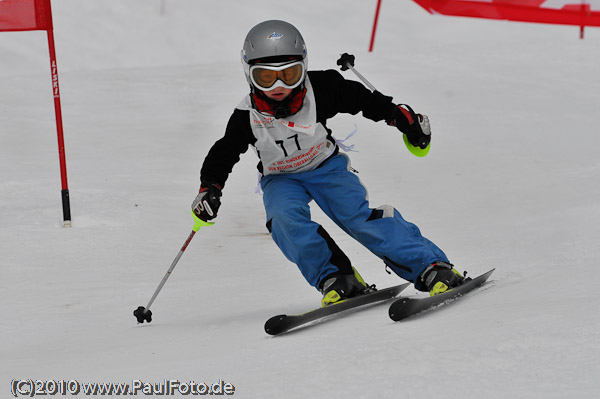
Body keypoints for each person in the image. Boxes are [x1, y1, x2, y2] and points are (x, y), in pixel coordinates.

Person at [192, 20, 465, 307]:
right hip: (281, 179)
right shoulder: (246, 115)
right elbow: (224, 152)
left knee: (357, 218)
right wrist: (210, 187)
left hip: (326, 167)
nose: (279, 86)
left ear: (303, 67)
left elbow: (361, 99)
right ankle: (337, 278)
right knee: (285, 222)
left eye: (289, 74)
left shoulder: (320, 89)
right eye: (266, 78)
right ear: (249, 74)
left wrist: (399, 117)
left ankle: (431, 267)